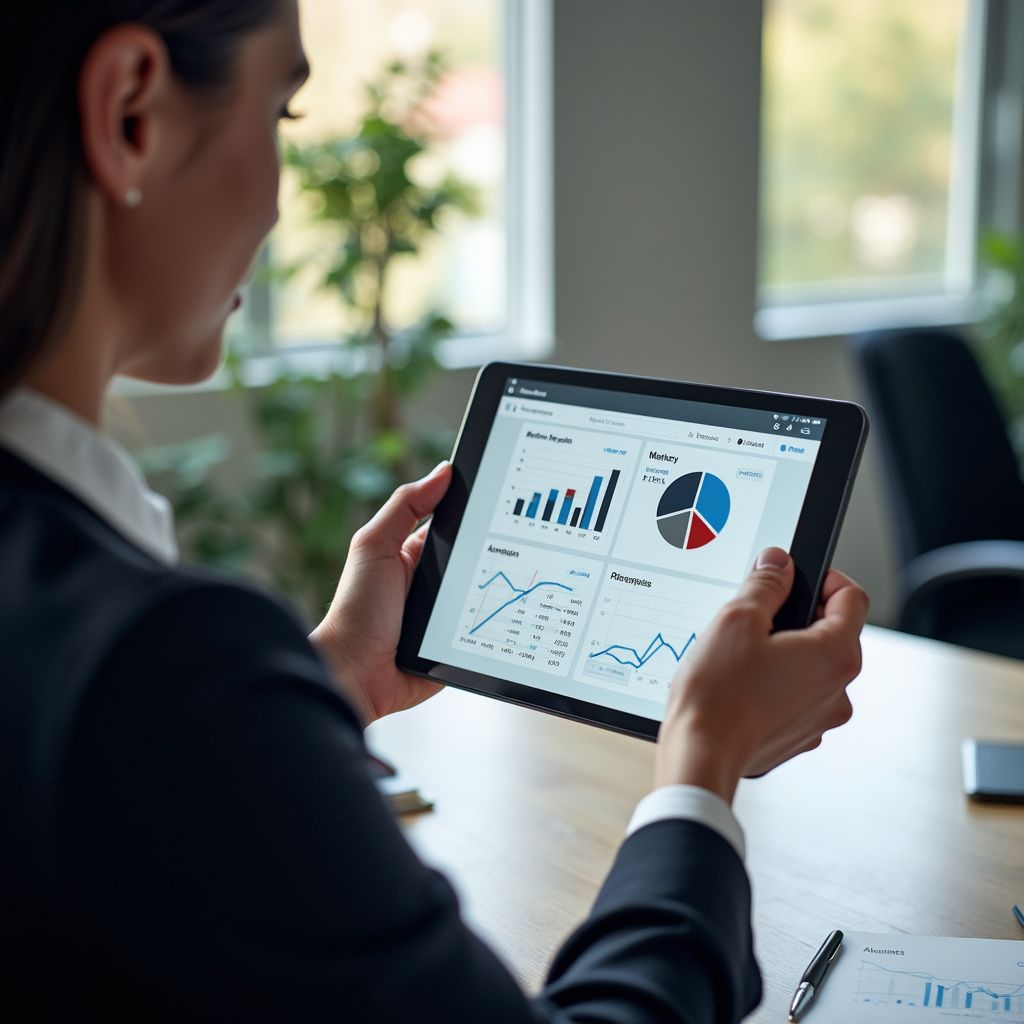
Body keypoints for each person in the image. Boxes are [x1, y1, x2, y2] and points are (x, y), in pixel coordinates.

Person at [0, 2, 868, 1020]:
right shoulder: (157, 658)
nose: (281, 205)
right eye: (282, 114)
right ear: (131, 112)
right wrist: (702, 765)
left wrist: (334, 677)